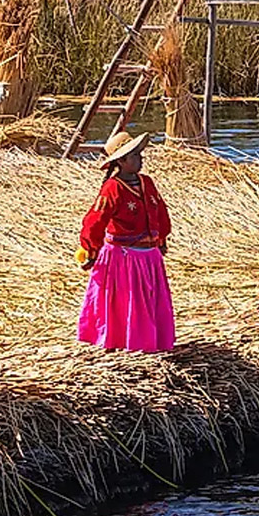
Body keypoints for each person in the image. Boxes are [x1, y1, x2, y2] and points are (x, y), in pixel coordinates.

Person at [77, 129, 176, 353]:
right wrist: (90, 252)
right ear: (121, 161)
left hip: (149, 256)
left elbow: (160, 211)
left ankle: (153, 341)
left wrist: (161, 239)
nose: (141, 159)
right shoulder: (112, 188)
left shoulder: (147, 182)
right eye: (135, 156)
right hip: (124, 258)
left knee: (150, 301)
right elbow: (95, 221)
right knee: (127, 302)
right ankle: (125, 342)